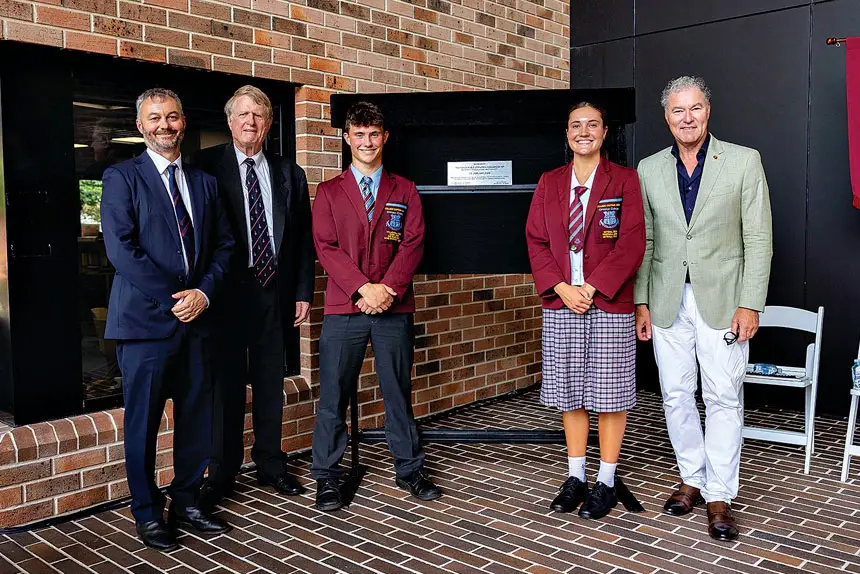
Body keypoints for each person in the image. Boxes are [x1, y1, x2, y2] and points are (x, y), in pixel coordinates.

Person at [634, 76, 773, 541]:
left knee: (723, 396)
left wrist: (750, 302)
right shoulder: (649, 168)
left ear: (707, 111)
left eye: (694, 109)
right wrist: (641, 301)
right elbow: (647, 241)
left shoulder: (742, 160)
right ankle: (691, 477)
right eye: (677, 110)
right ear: (666, 117)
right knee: (674, 395)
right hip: (667, 298)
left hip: (724, 300)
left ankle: (719, 492)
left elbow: (758, 237)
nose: (686, 118)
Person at [101, 88, 234, 552]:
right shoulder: (122, 177)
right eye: (154, 118)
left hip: (198, 321)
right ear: (140, 126)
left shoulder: (204, 183)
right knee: (143, 423)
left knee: (197, 417)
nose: (165, 125)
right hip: (144, 326)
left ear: (183, 122)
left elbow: (225, 247)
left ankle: (187, 500)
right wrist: (175, 298)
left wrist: (203, 293)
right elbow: (122, 249)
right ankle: (146, 511)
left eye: (172, 116)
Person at [310, 101, 441, 511]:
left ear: (384, 138)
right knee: (333, 393)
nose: (367, 142)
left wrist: (387, 289)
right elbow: (325, 247)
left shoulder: (405, 190)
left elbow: (413, 243)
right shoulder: (329, 192)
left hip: (393, 308)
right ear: (347, 138)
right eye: (359, 134)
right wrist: (362, 288)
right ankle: (328, 477)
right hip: (344, 308)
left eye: (374, 135)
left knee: (398, 393)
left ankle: (410, 469)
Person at [194, 85, 315, 508]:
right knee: (224, 385)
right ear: (229, 122)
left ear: (268, 123)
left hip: (272, 292)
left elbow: (301, 240)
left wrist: (302, 291)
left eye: (259, 115)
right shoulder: (205, 167)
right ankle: (221, 472)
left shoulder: (288, 173)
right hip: (225, 295)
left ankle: (270, 464)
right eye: (242, 114)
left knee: (269, 381)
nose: (250, 121)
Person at [526, 102, 645, 520]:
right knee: (569, 392)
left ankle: (607, 481)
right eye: (576, 125)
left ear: (605, 132)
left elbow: (632, 242)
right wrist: (562, 286)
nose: (583, 132)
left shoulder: (626, 180)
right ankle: (576, 475)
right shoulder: (549, 182)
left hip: (608, 301)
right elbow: (536, 241)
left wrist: (591, 287)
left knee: (611, 395)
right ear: (566, 134)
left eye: (592, 124)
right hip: (562, 302)